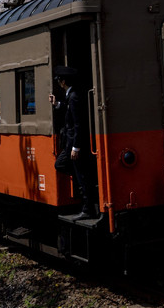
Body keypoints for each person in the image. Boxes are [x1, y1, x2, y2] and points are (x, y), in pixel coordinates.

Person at [49, 66, 95, 218]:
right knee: (78, 173)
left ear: (63, 81)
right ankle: (86, 201)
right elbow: (69, 110)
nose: (58, 83)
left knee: (70, 169)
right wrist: (57, 105)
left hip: (73, 144)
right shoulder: (72, 95)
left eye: (59, 81)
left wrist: (76, 147)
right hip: (71, 144)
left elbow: (78, 123)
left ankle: (88, 209)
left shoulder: (74, 96)